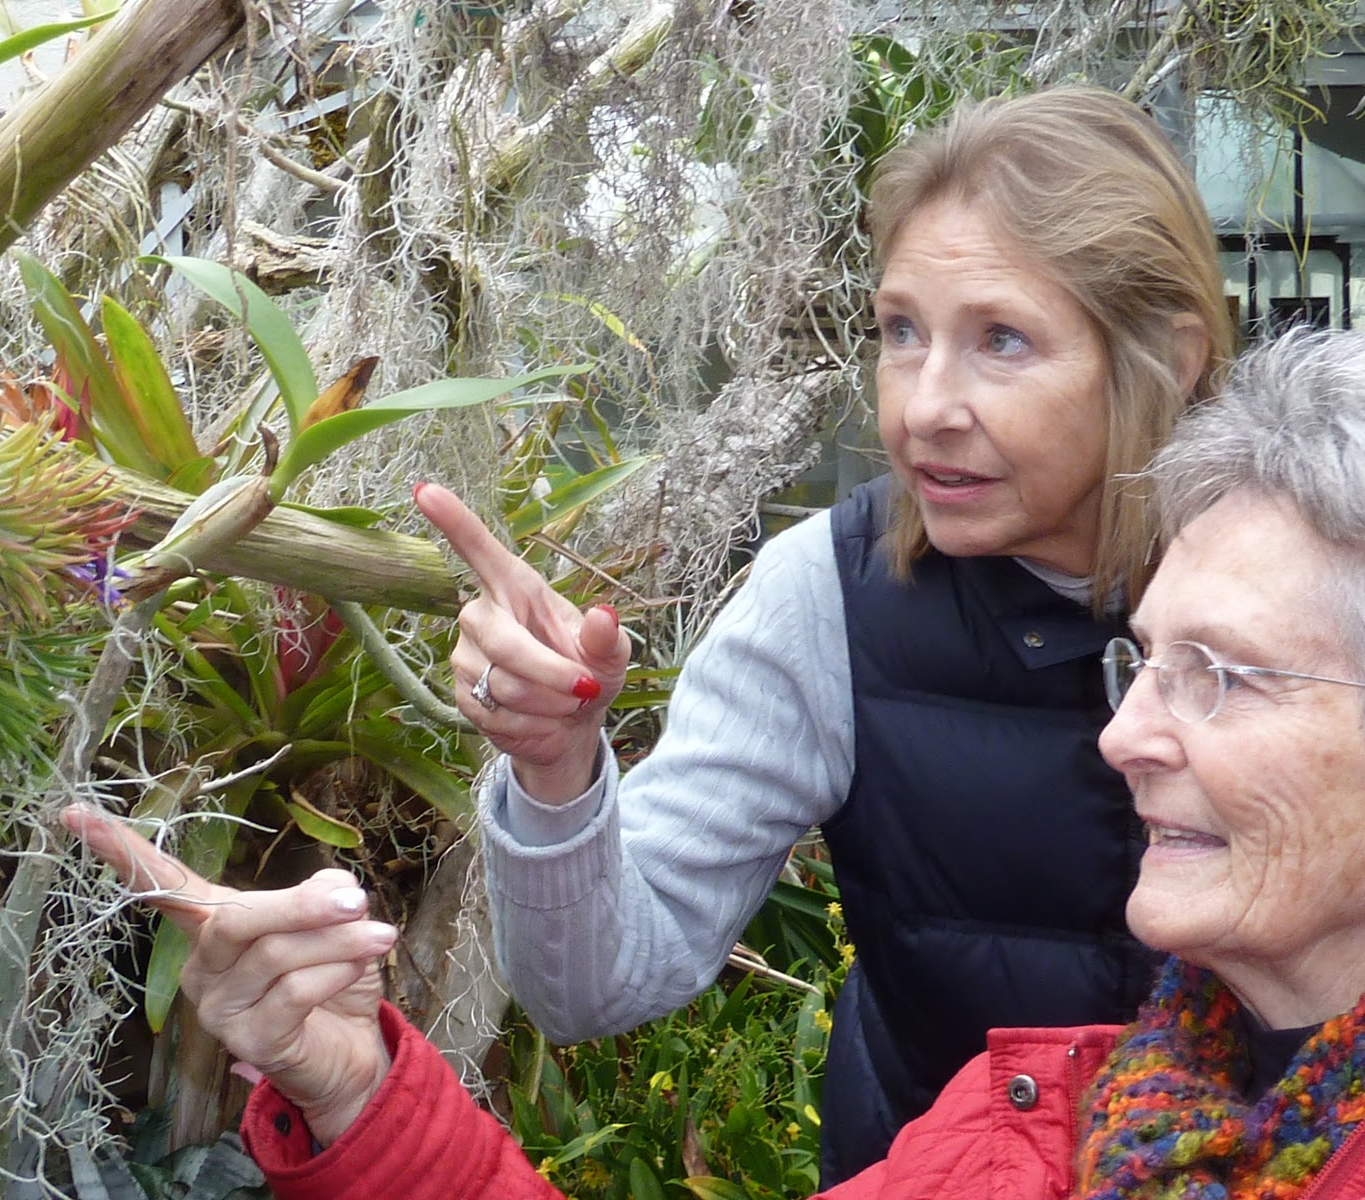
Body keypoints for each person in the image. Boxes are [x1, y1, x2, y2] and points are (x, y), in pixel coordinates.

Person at [66, 326, 1365, 1199]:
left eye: (1228, 674)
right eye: (1144, 664)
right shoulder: (1046, 1117)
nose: (1125, 733)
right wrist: (356, 1095)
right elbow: (598, 968)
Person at [410, 85, 1233, 1178]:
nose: (922, 405)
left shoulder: (1317, 584)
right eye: (901, 332)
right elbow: (592, 986)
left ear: (1164, 361)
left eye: (1001, 340)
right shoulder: (827, 598)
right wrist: (555, 774)